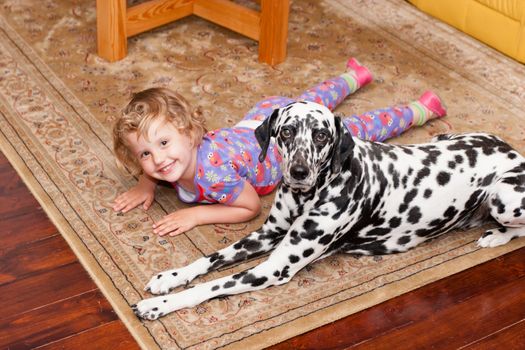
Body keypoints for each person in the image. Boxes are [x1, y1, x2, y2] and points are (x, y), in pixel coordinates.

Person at [112, 58, 446, 236]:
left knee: (357, 128)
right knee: (313, 100)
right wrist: (147, 183)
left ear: (190, 133)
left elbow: (250, 207)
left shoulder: (214, 175)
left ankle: (421, 110)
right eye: (145, 153)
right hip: (261, 119)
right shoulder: (170, 161)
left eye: (164, 143)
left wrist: (198, 213)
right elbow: (157, 164)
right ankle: (353, 76)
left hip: (277, 138)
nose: (158, 158)